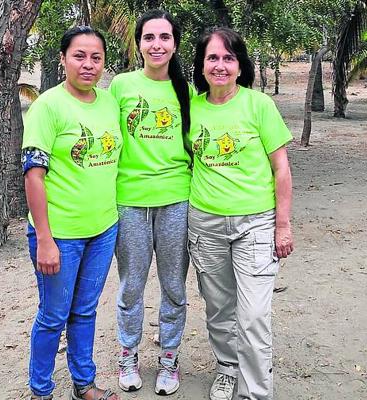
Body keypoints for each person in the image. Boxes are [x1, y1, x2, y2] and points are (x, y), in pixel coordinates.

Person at [187, 27, 294, 400]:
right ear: (201, 65)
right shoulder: (191, 108)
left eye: (228, 58)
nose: (220, 65)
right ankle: (227, 368)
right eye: (212, 58)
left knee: (252, 316)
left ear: (239, 65)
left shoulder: (259, 105)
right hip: (205, 224)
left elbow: (281, 168)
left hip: (256, 224)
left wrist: (283, 226)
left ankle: (255, 392)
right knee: (219, 309)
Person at [22, 26, 122, 400]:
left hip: (103, 228)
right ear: (63, 59)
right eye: (79, 56)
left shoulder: (110, 102)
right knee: (53, 316)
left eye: (96, 57)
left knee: (85, 311)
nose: (87, 64)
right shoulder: (48, 106)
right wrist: (45, 239)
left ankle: (84, 383)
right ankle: (41, 390)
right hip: (59, 233)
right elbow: (33, 175)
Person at [109, 9, 191, 396]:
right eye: (149, 37)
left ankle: (170, 359)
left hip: (176, 199)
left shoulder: (186, 91)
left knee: (173, 285)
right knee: (131, 286)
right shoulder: (121, 87)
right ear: (139, 43)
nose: (156, 44)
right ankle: (128, 353)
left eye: (164, 37)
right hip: (129, 200)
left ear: (175, 45)